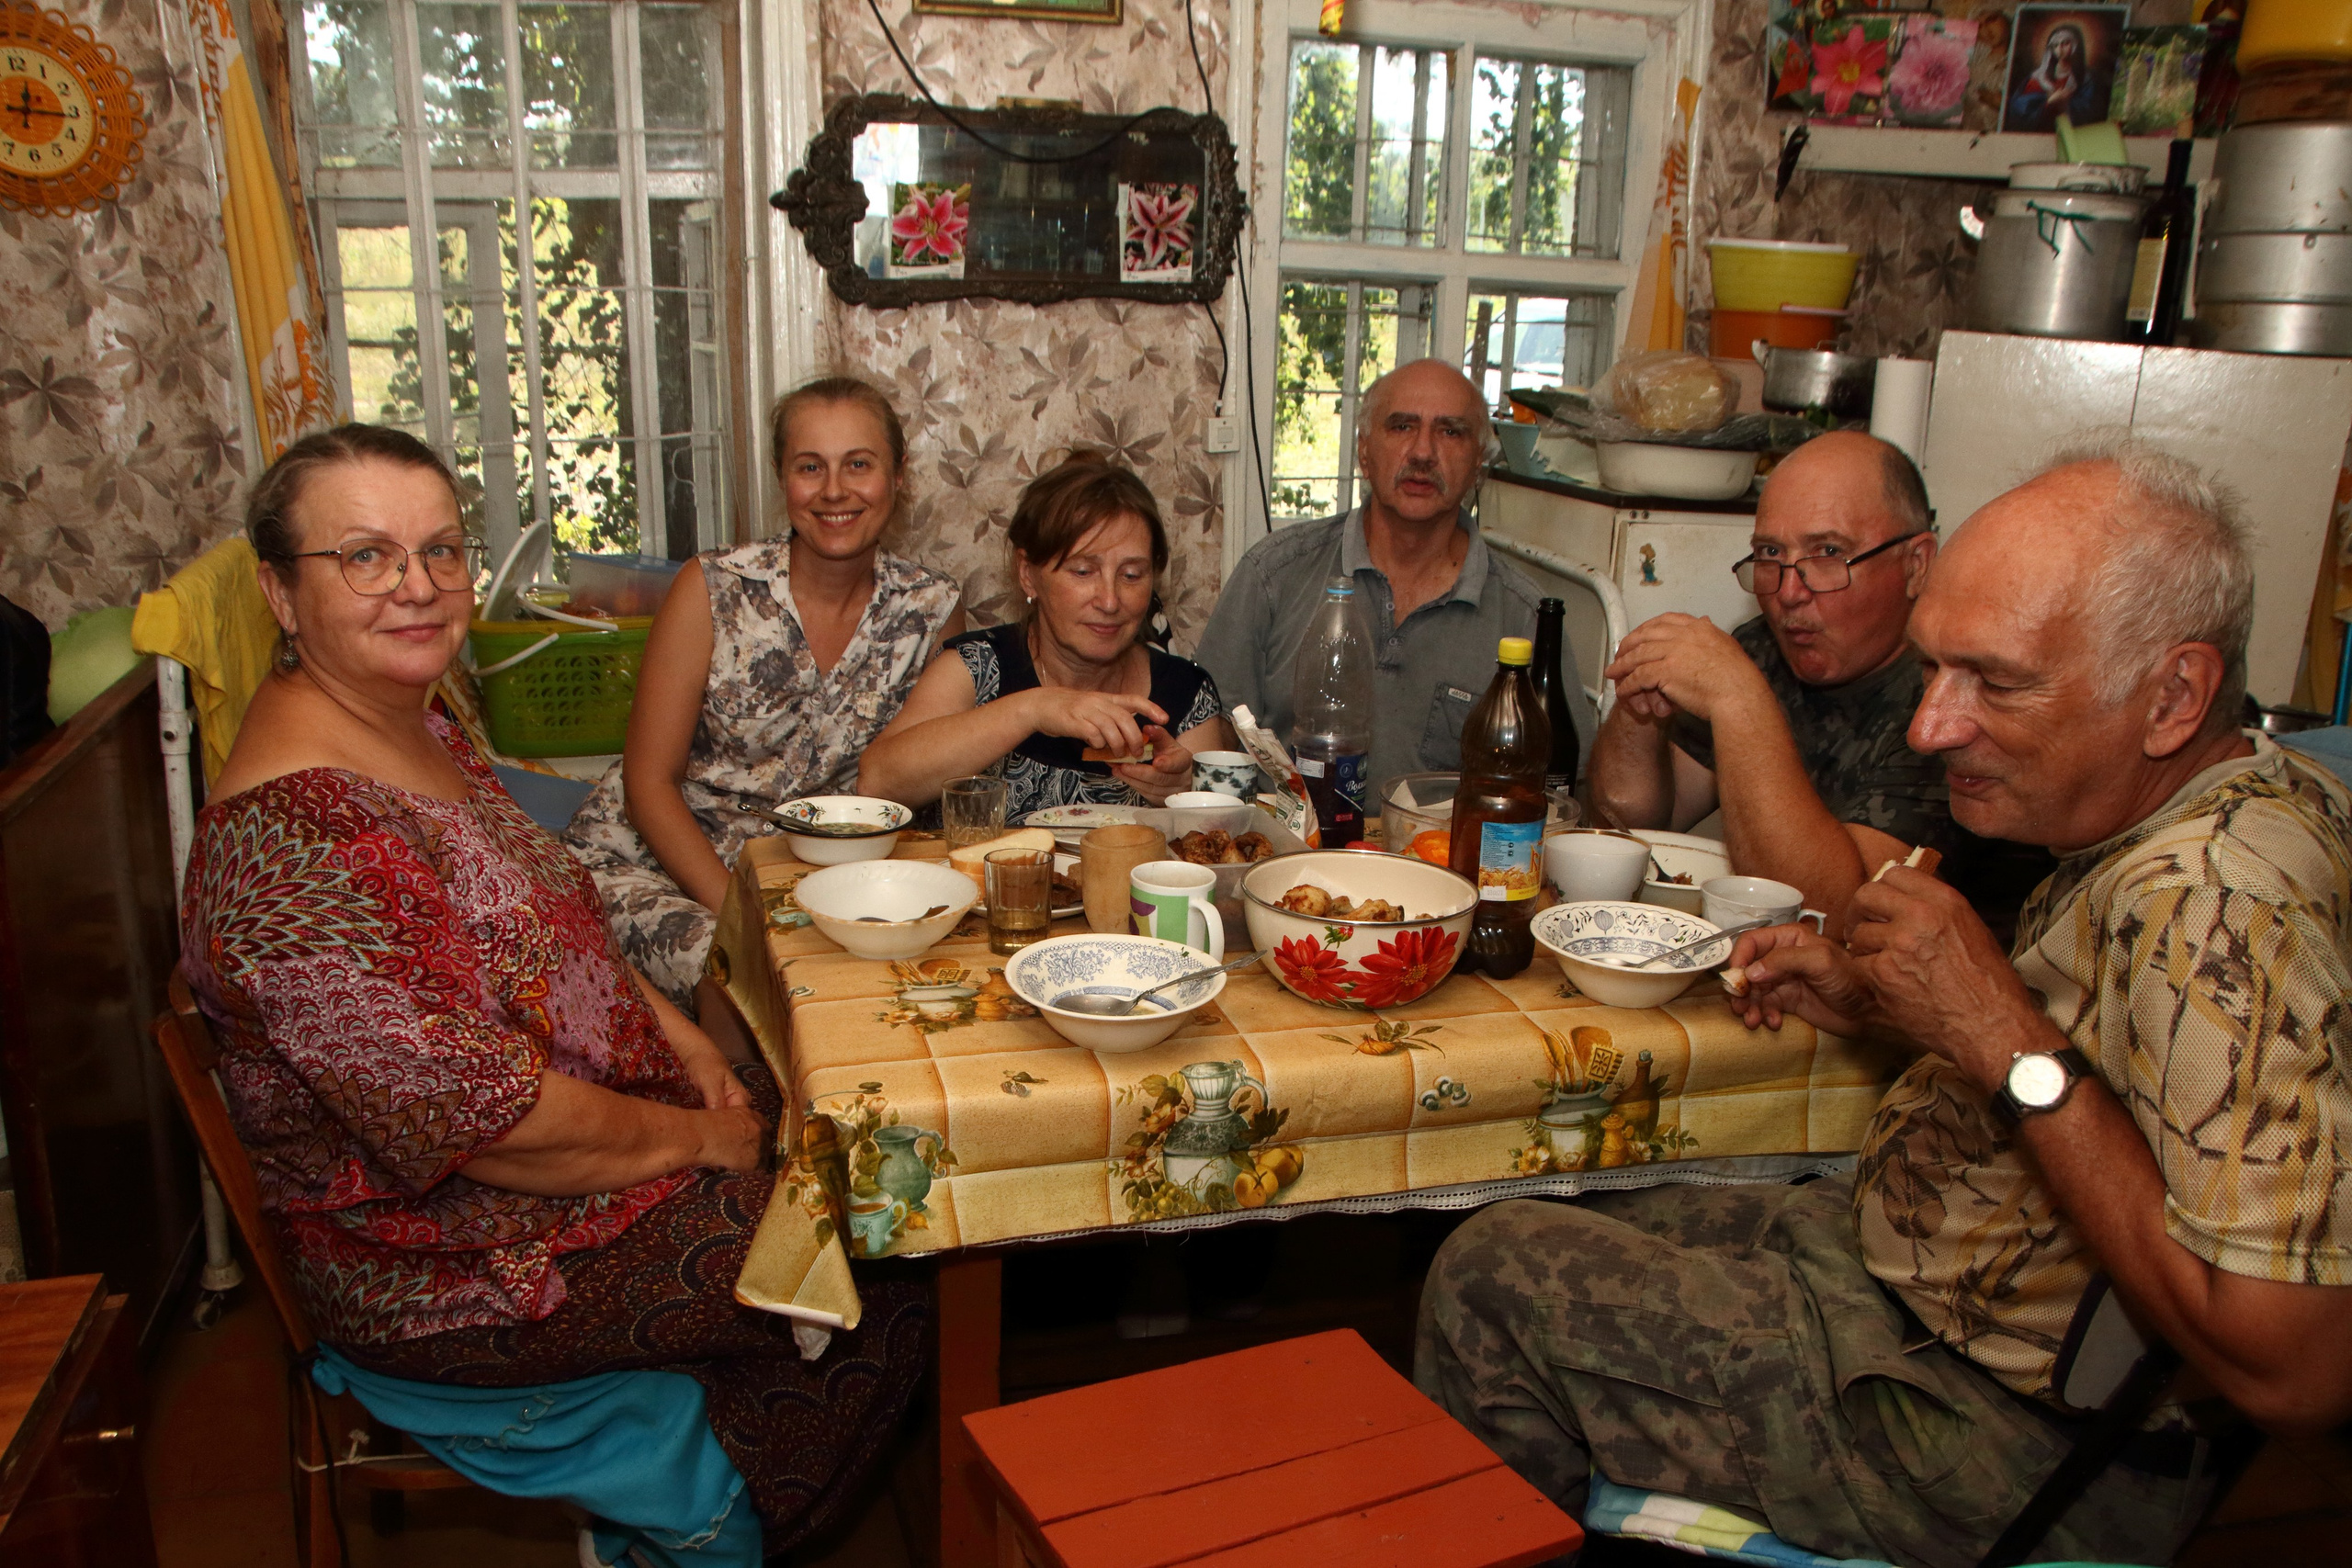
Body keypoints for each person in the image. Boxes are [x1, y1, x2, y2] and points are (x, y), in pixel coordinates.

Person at [1415, 439, 2352, 1568]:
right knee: (1592, 1199)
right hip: (1900, 1282)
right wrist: (1893, 1003)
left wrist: (1996, 1030)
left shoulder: (2210, 904)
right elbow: (2128, 1069)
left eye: (1995, 682)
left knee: (1487, 1276)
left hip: (1996, 1430)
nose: (1928, 729)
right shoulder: (2242, 787)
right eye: (1932, 673)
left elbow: (2299, 1368)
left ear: (2173, 695)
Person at [179, 424, 927, 1552]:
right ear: (282, 594)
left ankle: (694, 1471)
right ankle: (706, 1517)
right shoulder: (293, 845)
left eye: (440, 552)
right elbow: (492, 1129)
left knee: (872, 1134)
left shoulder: (420, 725)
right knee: (890, 1240)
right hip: (456, 1262)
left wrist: (692, 1047)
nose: (419, 587)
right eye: (367, 558)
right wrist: (704, 1141)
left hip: (579, 1167)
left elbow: (566, 919)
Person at [564, 378, 962, 1008]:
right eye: (811, 467)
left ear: (898, 474)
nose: (835, 490)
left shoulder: (933, 611)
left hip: (820, 885)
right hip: (658, 864)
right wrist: (742, 916)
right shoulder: (713, 587)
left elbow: (922, 784)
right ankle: (743, 1107)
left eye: (859, 464)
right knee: (737, 976)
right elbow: (649, 782)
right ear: (783, 477)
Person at [1589, 431, 1948, 926]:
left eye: (1826, 553)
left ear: (1916, 565)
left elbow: (1836, 917)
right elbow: (1631, 825)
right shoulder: (1764, 645)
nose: (1789, 593)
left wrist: (1738, 699)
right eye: (1770, 555)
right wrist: (1637, 705)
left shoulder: (1951, 700)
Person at [1197, 358, 1593, 794]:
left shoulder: (1524, 619)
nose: (1423, 452)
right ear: (1364, 452)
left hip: (1444, 858)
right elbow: (1209, 736)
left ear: (1479, 461)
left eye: (1450, 431)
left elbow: (1564, 787)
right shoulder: (1273, 576)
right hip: (1288, 851)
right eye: (1402, 427)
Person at [860, 451, 1235, 815]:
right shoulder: (976, 669)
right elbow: (876, 784)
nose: (1109, 600)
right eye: (1083, 572)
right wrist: (1032, 709)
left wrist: (1186, 793)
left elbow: (1219, 850)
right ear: (1028, 574)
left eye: (1132, 575)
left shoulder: (1184, 695)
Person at [2008, 22, 2098, 130]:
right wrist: (2049, 102)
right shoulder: (2039, 77)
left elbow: (2090, 110)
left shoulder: (2086, 78)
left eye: (2065, 43)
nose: (2060, 49)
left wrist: (2067, 104)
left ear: (2075, 45)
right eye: (2055, 45)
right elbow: (2018, 108)